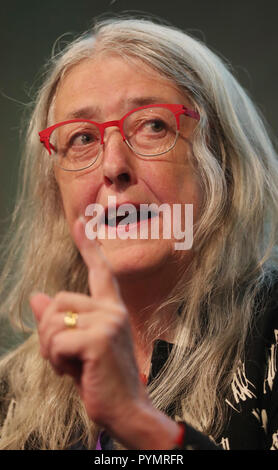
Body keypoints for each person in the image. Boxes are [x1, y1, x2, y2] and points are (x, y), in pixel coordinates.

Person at [0, 16, 278, 451]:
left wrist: (141, 427)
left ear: (222, 161)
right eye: (82, 138)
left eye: (152, 126)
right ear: (55, 192)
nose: (113, 166)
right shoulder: (9, 393)